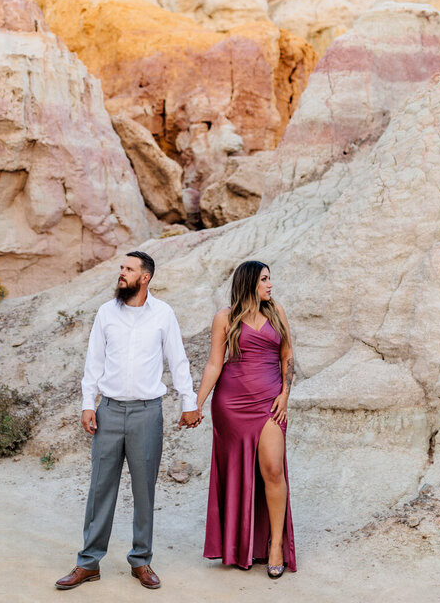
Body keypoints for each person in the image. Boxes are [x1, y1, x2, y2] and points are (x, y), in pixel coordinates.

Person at [55, 250, 202, 592]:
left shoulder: (163, 314)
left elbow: (178, 361)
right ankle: (88, 563)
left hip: (147, 413)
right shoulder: (106, 313)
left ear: (145, 277)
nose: (121, 274)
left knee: (143, 490)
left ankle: (141, 561)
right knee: (100, 488)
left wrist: (188, 402)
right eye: (121, 268)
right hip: (108, 411)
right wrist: (87, 404)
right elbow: (94, 361)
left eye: (128, 269)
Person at [197, 260, 296, 578]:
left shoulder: (276, 312)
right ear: (250, 282)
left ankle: (275, 545)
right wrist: (196, 404)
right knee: (238, 472)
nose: (270, 284)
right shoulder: (224, 318)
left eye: (270, 278)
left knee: (272, 469)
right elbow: (214, 364)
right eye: (265, 279)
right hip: (231, 404)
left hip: (269, 403)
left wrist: (285, 394)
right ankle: (239, 545)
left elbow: (287, 355)